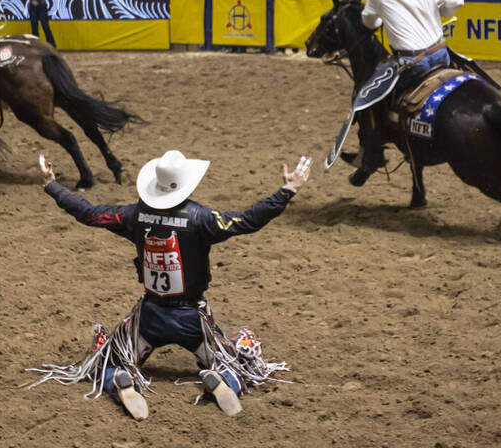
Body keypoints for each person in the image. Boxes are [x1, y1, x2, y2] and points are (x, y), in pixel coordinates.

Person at [29, 150, 312, 419]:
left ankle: (118, 379)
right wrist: (287, 191)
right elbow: (247, 220)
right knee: (239, 363)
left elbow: (90, 213)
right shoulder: (202, 219)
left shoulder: (134, 216)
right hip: (192, 318)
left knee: (107, 360)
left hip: (150, 315)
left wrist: (53, 186)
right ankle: (224, 379)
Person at [356, 0, 464, 108]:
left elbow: (369, 23)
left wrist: (381, 20)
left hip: (411, 63)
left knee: (380, 98)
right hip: (441, 55)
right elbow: (458, 1)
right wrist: (441, 12)